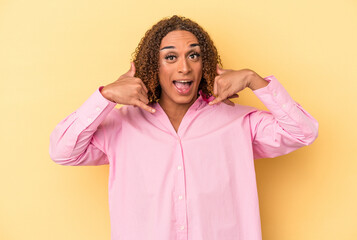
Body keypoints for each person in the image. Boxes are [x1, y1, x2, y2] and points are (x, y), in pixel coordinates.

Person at [49, 15, 318, 240]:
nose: (185, 67)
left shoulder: (237, 122)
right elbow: (63, 151)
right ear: (153, 65)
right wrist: (105, 96)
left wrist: (252, 79)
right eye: (170, 57)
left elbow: (303, 131)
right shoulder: (122, 125)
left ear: (206, 64)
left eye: (193, 55)